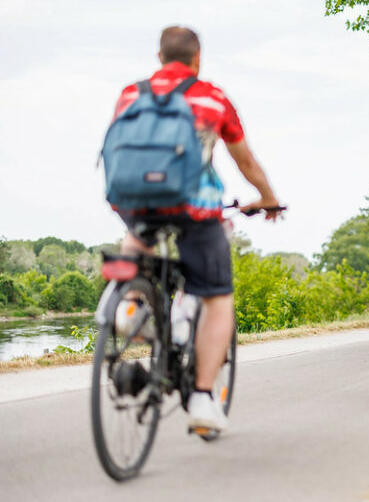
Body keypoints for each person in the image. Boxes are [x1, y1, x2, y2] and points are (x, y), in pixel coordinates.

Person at [111, 26, 283, 433]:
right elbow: (246, 162)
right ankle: (204, 399)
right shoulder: (212, 97)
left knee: (138, 245)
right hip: (194, 207)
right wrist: (268, 198)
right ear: (197, 57)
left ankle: (130, 303)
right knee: (218, 296)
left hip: (133, 202)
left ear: (159, 57)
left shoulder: (129, 95)